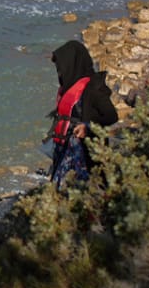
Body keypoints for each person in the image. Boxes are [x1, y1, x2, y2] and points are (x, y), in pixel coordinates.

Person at [48, 40, 118, 186]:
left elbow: (111, 116)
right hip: (65, 149)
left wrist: (88, 127)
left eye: (61, 68)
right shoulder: (68, 87)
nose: (59, 72)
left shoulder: (94, 88)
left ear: (71, 66)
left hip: (84, 154)